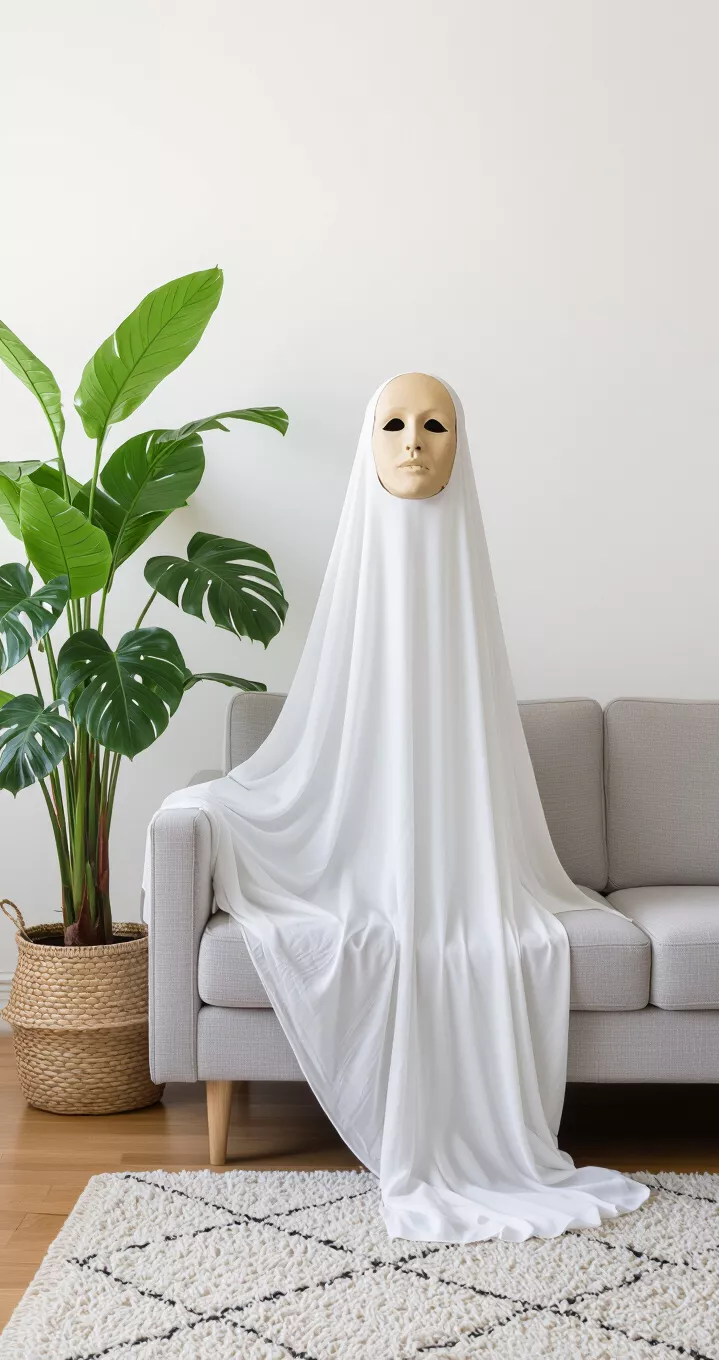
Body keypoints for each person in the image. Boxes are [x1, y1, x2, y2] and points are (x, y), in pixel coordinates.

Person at [143, 373, 650, 1243]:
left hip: (464, 867)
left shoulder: (468, 582)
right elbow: (335, 738)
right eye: (393, 424)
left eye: (434, 424)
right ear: (367, 447)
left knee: (491, 933)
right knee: (230, 820)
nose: (413, 441)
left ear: (461, 443)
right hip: (358, 861)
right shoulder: (357, 589)